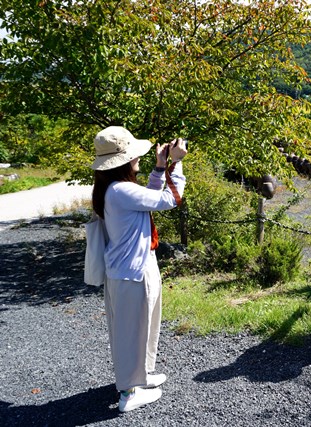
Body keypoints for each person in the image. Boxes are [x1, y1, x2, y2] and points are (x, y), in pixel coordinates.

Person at [91, 126, 187, 412]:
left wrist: (160, 166)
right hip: (133, 274)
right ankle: (129, 393)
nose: (138, 159)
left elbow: (147, 199)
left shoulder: (112, 188)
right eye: (134, 156)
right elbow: (170, 199)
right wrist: (177, 163)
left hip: (131, 269)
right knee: (132, 332)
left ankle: (139, 376)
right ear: (122, 161)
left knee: (143, 326)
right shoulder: (121, 190)